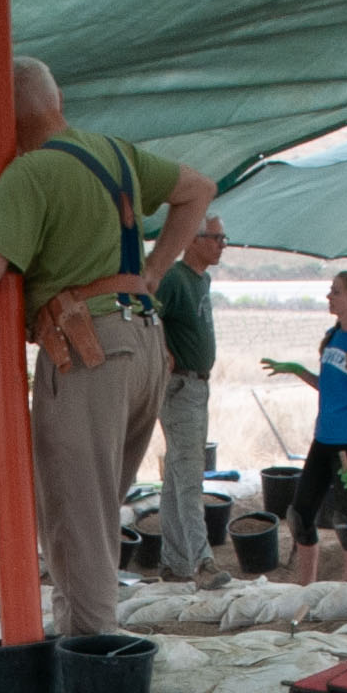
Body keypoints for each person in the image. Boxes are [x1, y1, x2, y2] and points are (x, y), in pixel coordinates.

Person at [0, 59, 217, 640]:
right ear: (58, 99)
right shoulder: (115, 153)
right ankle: (80, 646)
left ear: (1, 118)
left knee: (79, 523)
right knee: (89, 517)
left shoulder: (30, 173)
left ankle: (97, 667)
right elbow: (198, 190)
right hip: (145, 345)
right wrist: (152, 270)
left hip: (86, 351)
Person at [282, 271, 347, 584]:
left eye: (336, 292)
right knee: (300, 515)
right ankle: (307, 586)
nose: (329, 297)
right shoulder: (333, 336)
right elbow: (328, 386)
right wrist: (298, 371)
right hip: (322, 440)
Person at [143, 216, 226, 578]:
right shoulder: (175, 279)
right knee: (190, 475)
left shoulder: (201, 279)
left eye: (223, 238)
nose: (221, 244)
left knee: (178, 476)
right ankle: (202, 561)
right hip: (180, 387)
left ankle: (175, 562)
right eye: (216, 238)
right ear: (193, 239)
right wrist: (162, 349)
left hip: (197, 386)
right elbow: (146, 312)